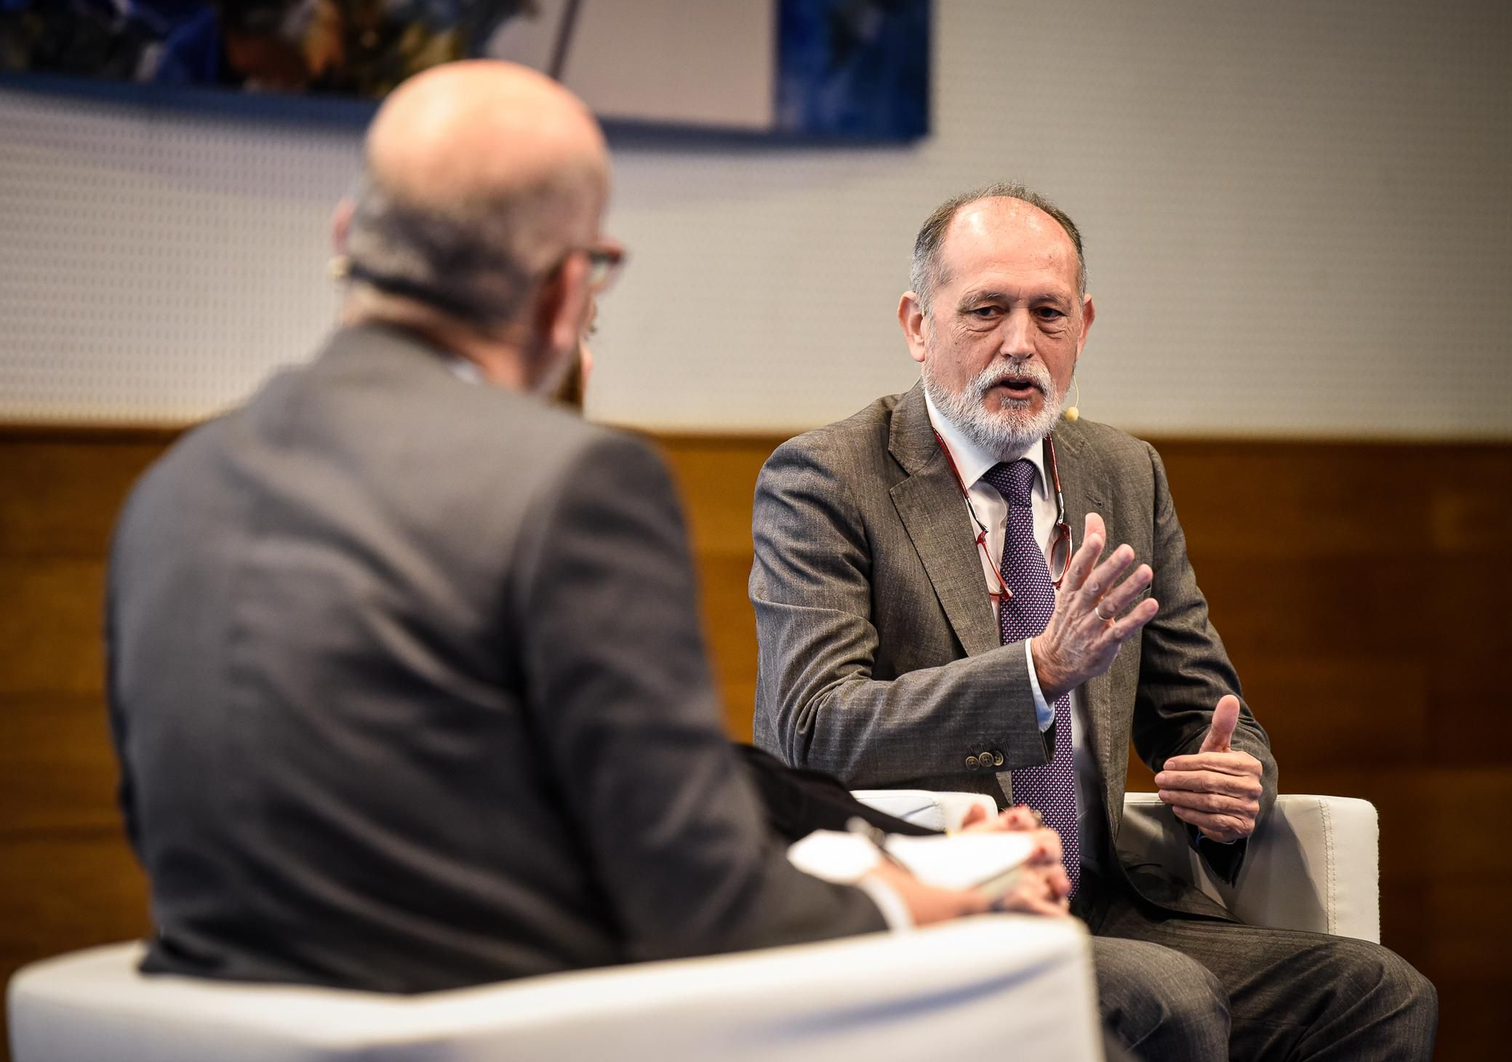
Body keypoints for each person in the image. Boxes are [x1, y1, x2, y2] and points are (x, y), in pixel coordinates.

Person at [103, 65, 1069, 996]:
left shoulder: (171, 487)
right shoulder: (571, 486)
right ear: (569, 293)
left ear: (349, 238)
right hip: (504, 1022)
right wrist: (937, 890)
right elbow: (707, 903)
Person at [749, 183, 1438, 1060]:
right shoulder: (828, 479)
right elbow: (812, 729)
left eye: (1048, 315)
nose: (1019, 345)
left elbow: (1206, 709)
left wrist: (1233, 779)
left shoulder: (1123, 473)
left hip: (1104, 901)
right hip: (939, 908)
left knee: (1378, 994)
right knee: (1167, 996)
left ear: (1084, 325)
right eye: (986, 311)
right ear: (918, 325)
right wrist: (1035, 673)